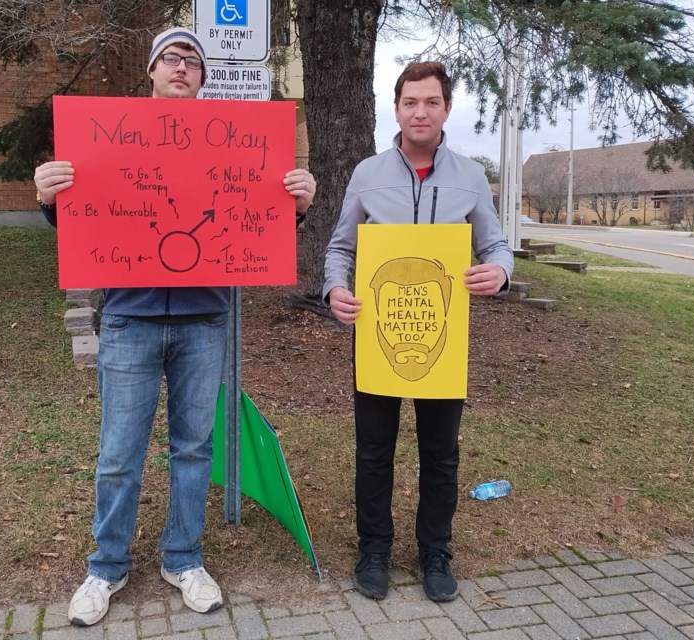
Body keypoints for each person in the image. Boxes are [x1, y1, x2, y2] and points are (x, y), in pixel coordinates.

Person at [33, 27, 316, 627]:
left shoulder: (233, 147)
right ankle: (106, 566)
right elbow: (84, 227)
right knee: (118, 453)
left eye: (192, 61)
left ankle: (183, 558)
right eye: (171, 59)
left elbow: (259, 227)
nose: (182, 68)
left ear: (203, 79)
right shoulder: (106, 143)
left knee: (194, 448)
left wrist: (297, 202)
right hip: (130, 319)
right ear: (153, 72)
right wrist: (48, 197)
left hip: (203, 321)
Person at [322, 61, 513, 603]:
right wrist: (335, 289)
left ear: (446, 109)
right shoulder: (368, 173)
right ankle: (374, 549)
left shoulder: (470, 176)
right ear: (397, 108)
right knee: (374, 448)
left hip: (443, 336)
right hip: (379, 332)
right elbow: (341, 247)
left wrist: (499, 272)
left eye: (431, 102)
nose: (420, 112)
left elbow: (495, 245)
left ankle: (435, 551)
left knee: (441, 450)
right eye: (410, 102)